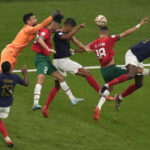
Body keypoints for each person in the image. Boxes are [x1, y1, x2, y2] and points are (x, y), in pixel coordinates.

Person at [42, 18, 110, 118]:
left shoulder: (67, 32)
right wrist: (78, 28)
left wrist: (85, 48)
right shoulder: (59, 33)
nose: (72, 29)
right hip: (63, 61)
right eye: (72, 28)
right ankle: (101, 93)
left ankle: (45, 107)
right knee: (87, 73)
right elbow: (67, 36)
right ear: (69, 26)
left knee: (57, 86)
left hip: (57, 61)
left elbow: (76, 41)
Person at [86, 17, 149, 121]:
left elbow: (85, 48)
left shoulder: (94, 43)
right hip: (119, 64)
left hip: (103, 71)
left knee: (136, 84)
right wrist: (139, 25)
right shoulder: (110, 39)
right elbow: (125, 33)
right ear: (107, 32)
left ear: (99, 32)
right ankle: (106, 86)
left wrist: (75, 51)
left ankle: (99, 106)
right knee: (132, 73)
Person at [32, 16, 84, 110]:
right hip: (41, 59)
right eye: (58, 26)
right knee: (41, 79)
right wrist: (48, 49)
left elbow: (55, 30)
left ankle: (73, 99)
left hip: (46, 59)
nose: (59, 28)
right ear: (54, 24)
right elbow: (40, 39)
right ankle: (35, 103)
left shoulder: (50, 30)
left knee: (60, 77)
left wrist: (58, 14)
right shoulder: (45, 31)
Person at [0, 61, 29, 147]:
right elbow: (26, 83)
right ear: (10, 69)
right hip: (7, 105)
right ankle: (7, 139)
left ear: (1, 68)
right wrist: (25, 73)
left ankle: (7, 138)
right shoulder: (15, 77)